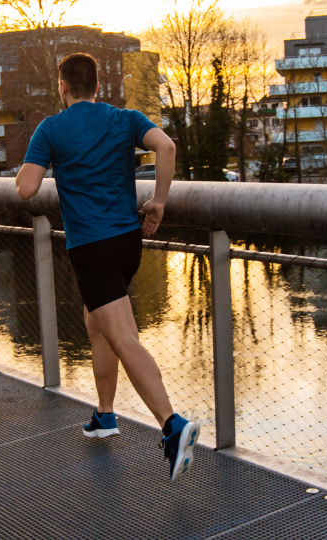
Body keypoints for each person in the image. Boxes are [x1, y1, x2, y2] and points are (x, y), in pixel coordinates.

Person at [15, 53, 199, 482]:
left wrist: (43, 161)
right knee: (97, 323)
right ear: (97, 85)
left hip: (92, 248)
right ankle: (105, 414)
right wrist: (158, 201)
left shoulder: (51, 128)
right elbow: (166, 147)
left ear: (63, 86)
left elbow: (26, 188)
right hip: (128, 242)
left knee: (123, 337)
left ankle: (172, 426)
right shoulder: (124, 117)